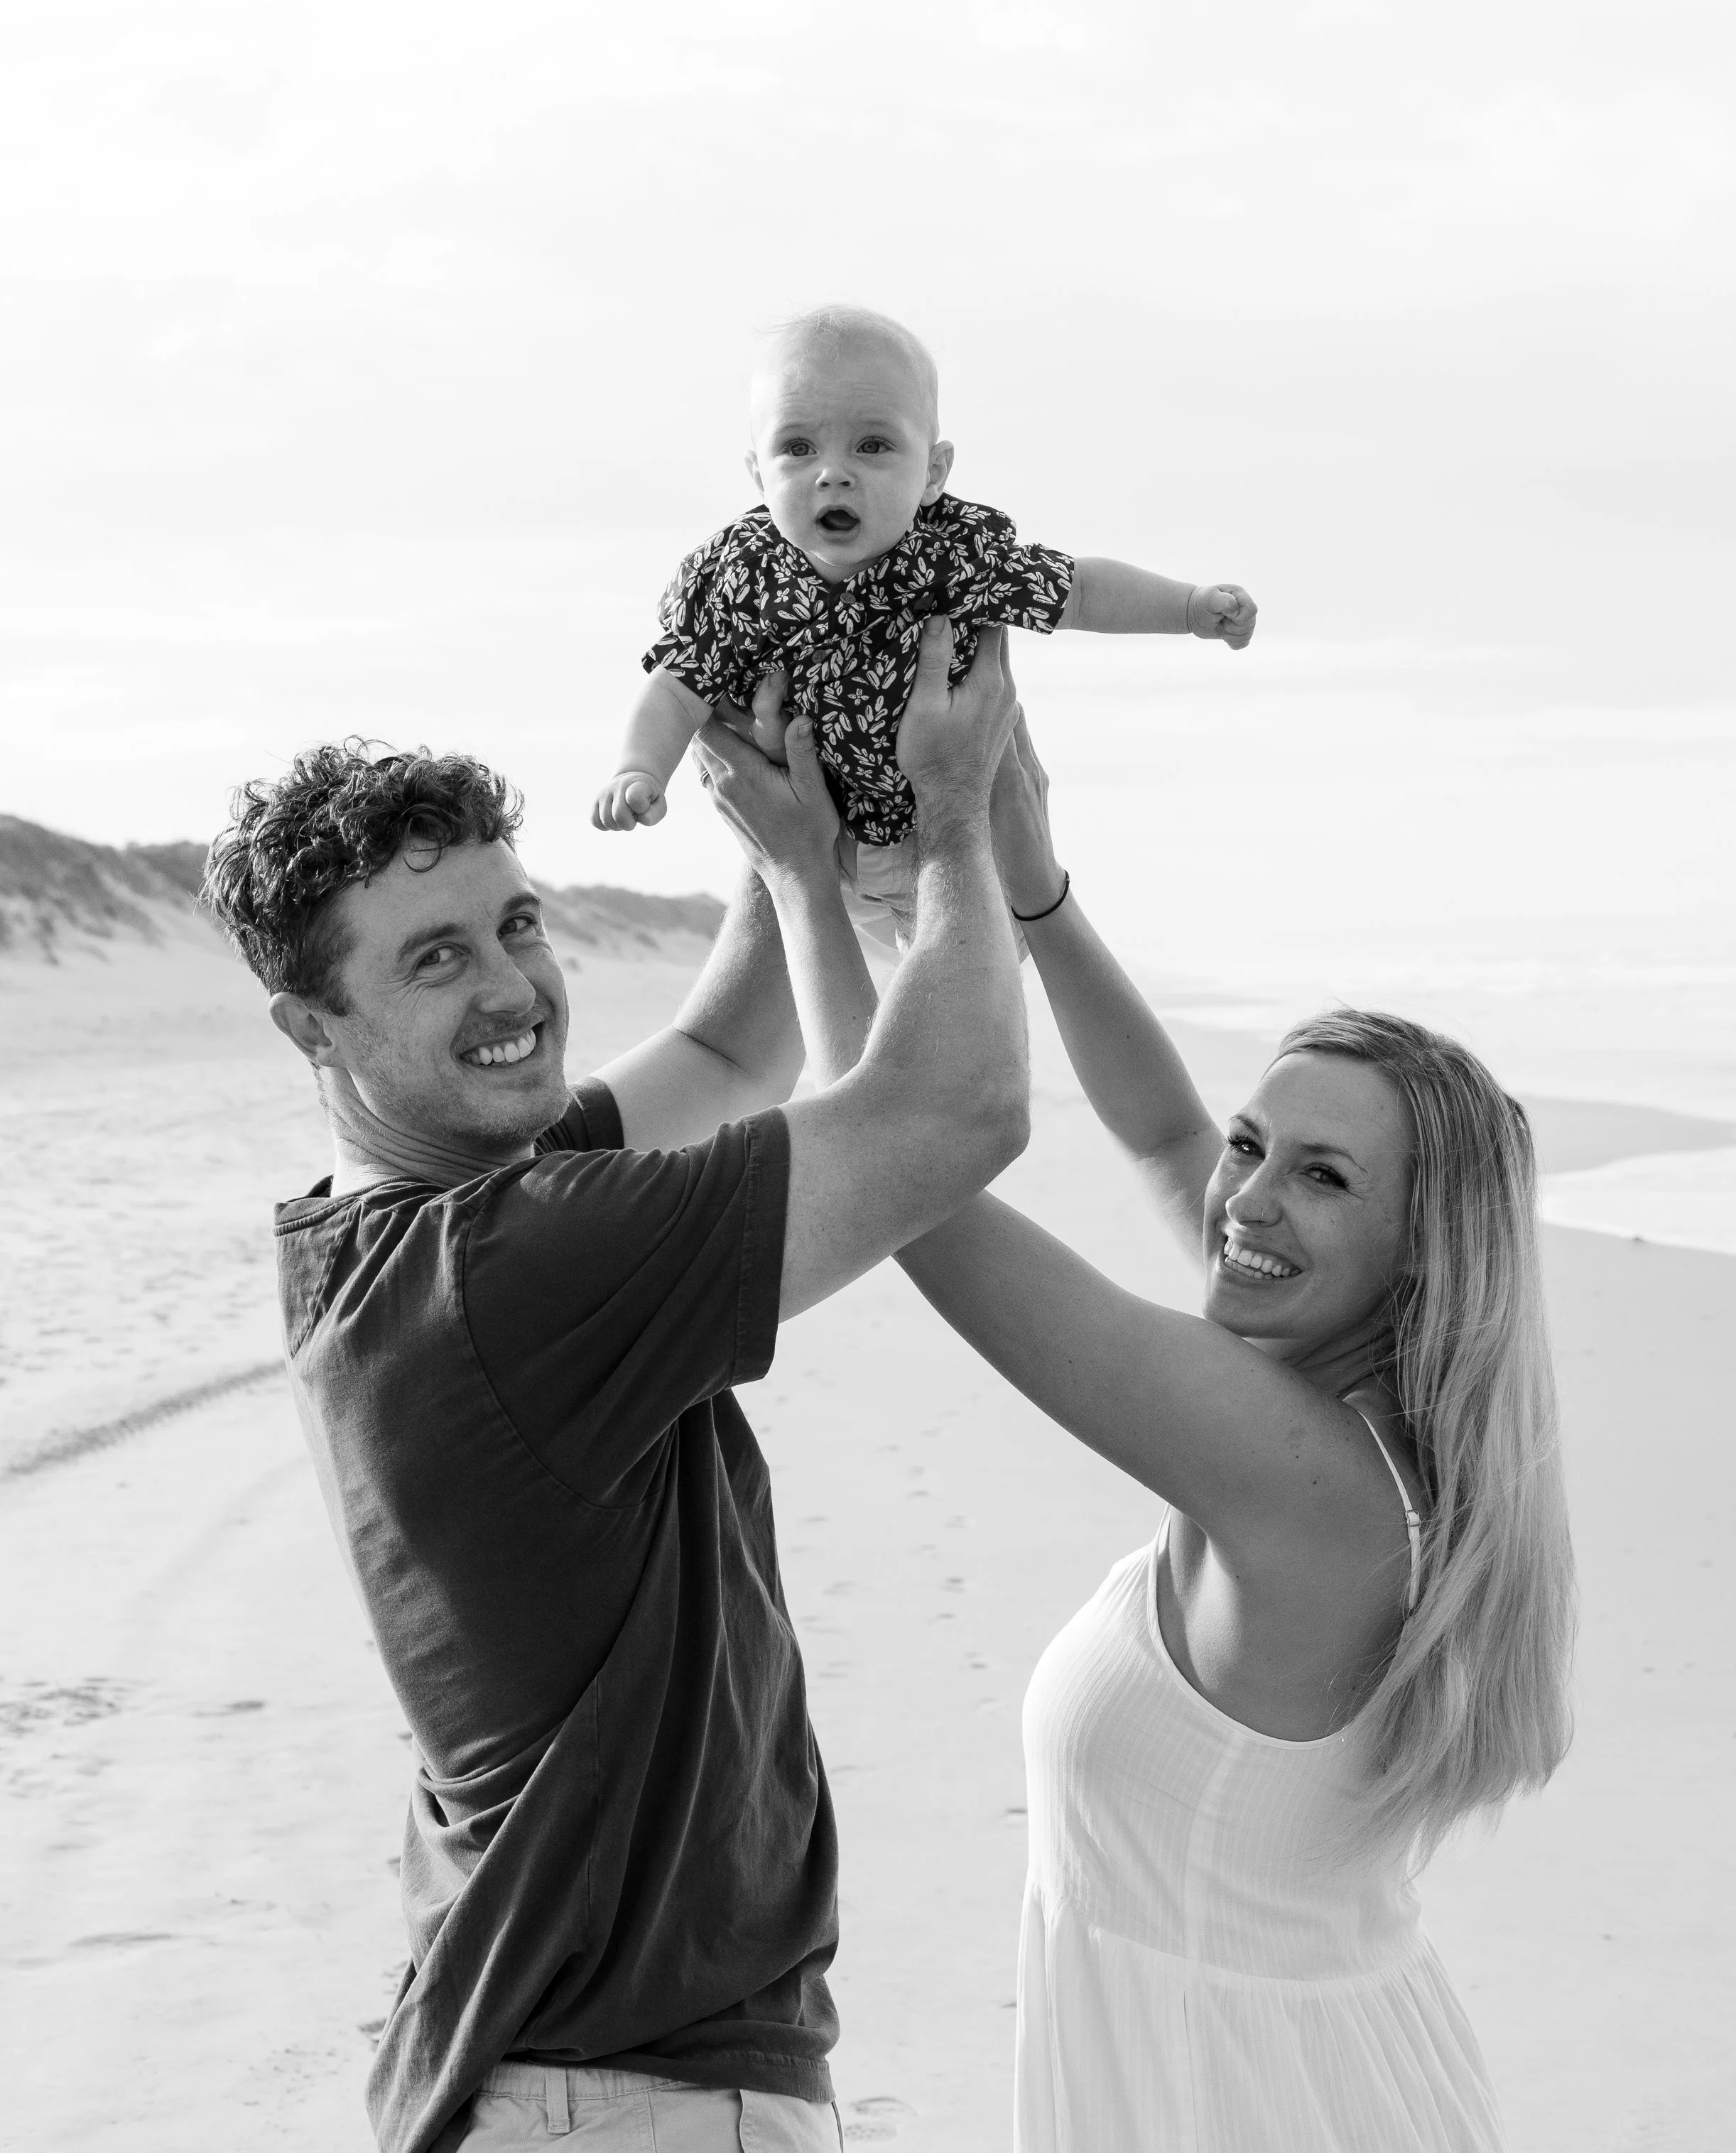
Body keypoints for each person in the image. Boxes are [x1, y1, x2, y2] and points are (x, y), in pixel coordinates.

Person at [696, 710, 1578, 2153]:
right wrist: (1035, 887)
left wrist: (811, 884)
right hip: (1316, 2074)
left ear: (1422, 1250)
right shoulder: (1346, 1414)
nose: (1246, 1200)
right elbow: (1166, 1136)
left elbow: (907, 1186)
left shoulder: (1295, 1477)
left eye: (1321, 1177)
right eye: (1257, 1144)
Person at [199, 620, 1027, 2153]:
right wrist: (962, 809)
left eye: (519, 923)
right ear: (309, 1026)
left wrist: (789, 824)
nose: (511, 983)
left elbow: (724, 1045)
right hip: (622, 2100)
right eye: (433, 957)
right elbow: (956, 1108)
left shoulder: (391, 1231)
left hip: (546, 2073)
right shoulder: (509, 1270)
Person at [592, 303, 1254, 947]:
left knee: (959, 1000)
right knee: (822, 974)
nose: (832, 474)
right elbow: (678, 687)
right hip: (826, 839)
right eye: (797, 448)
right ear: (757, 474)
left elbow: (1078, 590)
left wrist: (1191, 608)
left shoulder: (955, 555)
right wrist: (639, 768)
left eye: (872, 445)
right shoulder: (739, 577)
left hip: (950, 837)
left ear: (933, 472)